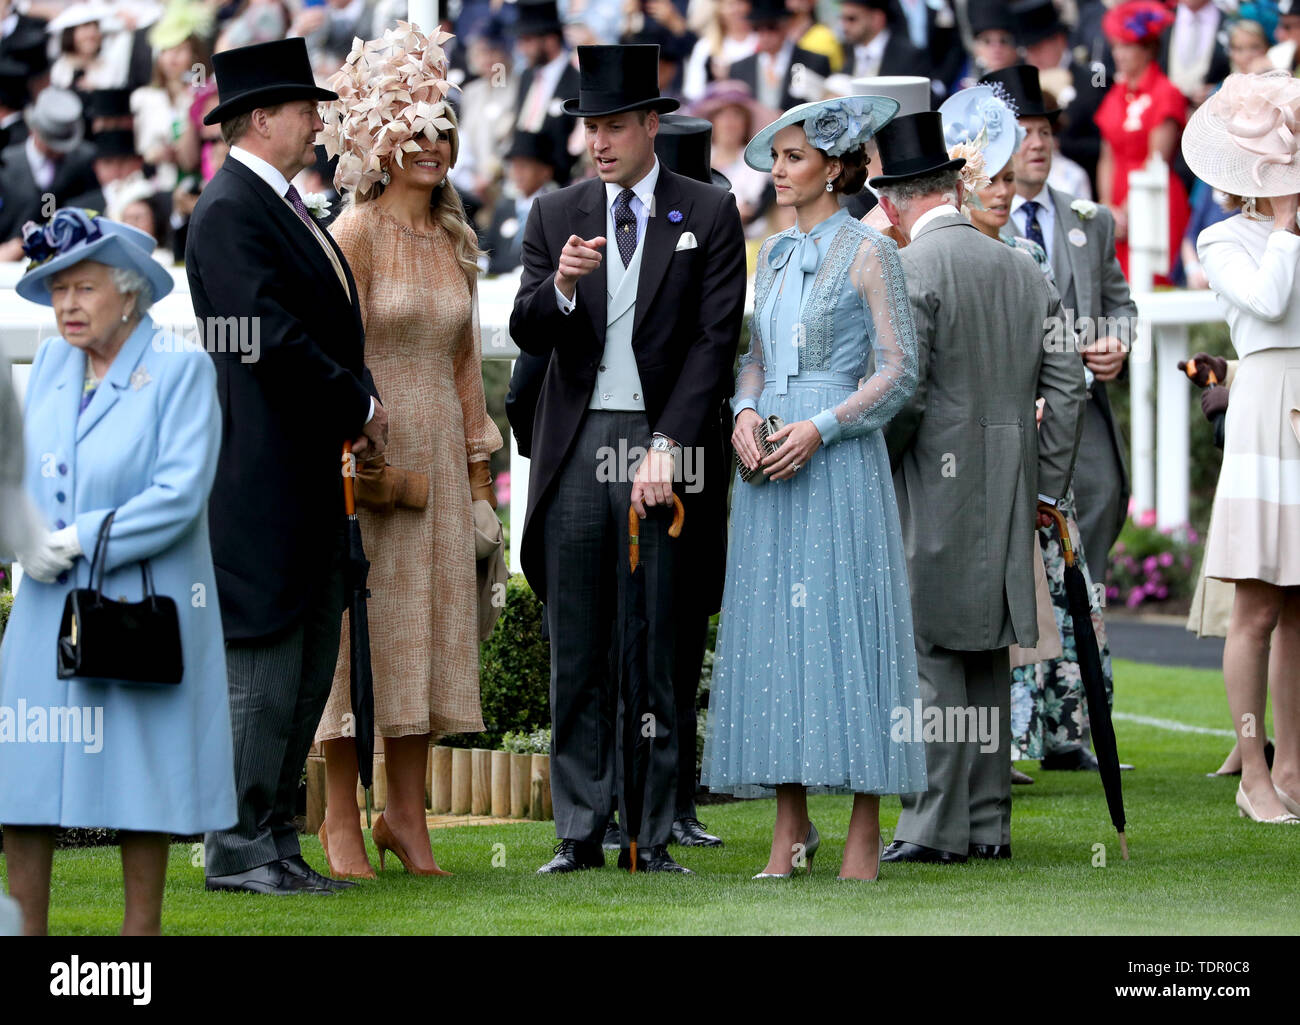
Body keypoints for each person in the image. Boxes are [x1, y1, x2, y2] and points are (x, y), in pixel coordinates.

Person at [510, 43, 746, 874]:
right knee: (576, 642)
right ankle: (579, 829)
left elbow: (715, 344)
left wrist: (669, 447)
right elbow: (527, 330)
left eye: (614, 125)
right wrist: (564, 288)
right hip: (576, 447)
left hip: (662, 443)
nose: (599, 141)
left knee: (656, 640)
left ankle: (651, 830)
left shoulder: (709, 213)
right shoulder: (554, 214)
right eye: (589, 127)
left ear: (653, 124)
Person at [701, 93, 928, 882]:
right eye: (777, 157)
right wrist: (744, 408)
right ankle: (788, 828)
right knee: (771, 637)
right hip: (768, 461)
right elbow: (756, 356)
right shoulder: (774, 254)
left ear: (835, 165)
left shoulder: (871, 250)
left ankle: (864, 827)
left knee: (849, 627)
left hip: (836, 458)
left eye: (794, 157)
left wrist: (821, 427)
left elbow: (901, 369)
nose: (777, 170)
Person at [187, 37, 387, 895]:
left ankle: (273, 839)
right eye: (305, 108)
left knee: (305, 669)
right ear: (260, 118)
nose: (318, 122)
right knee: (262, 674)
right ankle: (236, 846)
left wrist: (356, 397)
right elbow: (269, 337)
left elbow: (328, 320)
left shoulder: (283, 203)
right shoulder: (232, 207)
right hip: (262, 480)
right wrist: (360, 403)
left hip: (305, 476)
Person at [0, 208, 236, 934]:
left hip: (139, 607)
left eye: (83, 287)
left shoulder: (182, 370)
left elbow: (179, 494)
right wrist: (23, 532)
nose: (66, 304)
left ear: (129, 293)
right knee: (26, 778)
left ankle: (139, 947)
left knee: (144, 784)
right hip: (46, 607)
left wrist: (76, 536)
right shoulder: (48, 368)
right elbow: (19, 475)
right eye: (57, 289)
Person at [313, 24, 503, 880]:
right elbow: (330, 351)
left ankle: (407, 816)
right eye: (414, 129)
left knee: (425, 629)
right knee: (360, 633)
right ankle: (340, 819)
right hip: (370, 454)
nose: (432, 144)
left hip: (438, 453)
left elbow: (467, 371)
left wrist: (478, 483)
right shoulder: (352, 231)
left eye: (441, 129)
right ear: (382, 140)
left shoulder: (455, 242)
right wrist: (353, 439)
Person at [874, 111, 1086, 863]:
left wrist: (876, 463)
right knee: (989, 649)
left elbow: (907, 390)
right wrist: (1047, 480)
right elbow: (1068, 386)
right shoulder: (1023, 265)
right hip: (1011, 474)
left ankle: (933, 827)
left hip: (935, 473)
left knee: (932, 645)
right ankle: (988, 821)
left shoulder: (910, 267)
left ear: (898, 201)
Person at [942, 83, 1124, 779]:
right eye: (994, 179)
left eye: (1010, 180)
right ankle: (1003, 741)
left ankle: (1065, 731)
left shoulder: (1038, 252)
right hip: (983, 451)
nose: (1005, 191)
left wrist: (1093, 356)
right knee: (1006, 594)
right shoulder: (948, 247)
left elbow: (1073, 343)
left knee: (1059, 586)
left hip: (1042, 449)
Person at [1183, 70, 1300, 824]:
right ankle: (1251, 769)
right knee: (1256, 607)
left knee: (1299, 609)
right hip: (1264, 409)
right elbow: (1267, 302)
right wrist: (1286, 225)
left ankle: (1292, 763)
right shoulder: (1221, 236)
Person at [984, 63, 1137, 606]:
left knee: (1102, 498)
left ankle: (1081, 620)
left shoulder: (1090, 220)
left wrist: (1118, 341)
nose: (1038, 143)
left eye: (1046, 131)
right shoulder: (978, 223)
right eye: (1024, 132)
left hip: (1082, 406)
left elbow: (1120, 304)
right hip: (1007, 409)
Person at [1094, 1, 1187, 282]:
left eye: (1126, 46)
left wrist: (1130, 210)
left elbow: (1157, 158)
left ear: (1148, 48)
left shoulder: (1166, 93)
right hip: (1119, 203)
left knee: (1151, 282)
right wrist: (1108, 206)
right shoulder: (1114, 94)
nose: (1118, 54)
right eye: (1116, 46)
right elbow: (1106, 157)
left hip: (1154, 197)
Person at [0, 88, 98, 254]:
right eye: (51, 143)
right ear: (34, 130)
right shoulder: (6, 162)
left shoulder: (83, 160)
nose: (57, 151)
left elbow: (90, 209)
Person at [513, 0, 580, 186]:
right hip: (523, 182)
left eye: (528, 40)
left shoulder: (577, 81)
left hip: (562, 184)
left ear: (550, 40)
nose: (521, 49)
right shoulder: (526, 77)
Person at [728, 0, 831, 112]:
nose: (764, 35)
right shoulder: (739, 69)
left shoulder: (814, 62)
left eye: (771, 27)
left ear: (786, 25)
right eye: (757, 28)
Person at [482, 130, 561, 275]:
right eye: (514, 166)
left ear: (545, 171)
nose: (517, 173)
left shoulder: (554, 209)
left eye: (524, 166)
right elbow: (488, 247)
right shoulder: (505, 206)